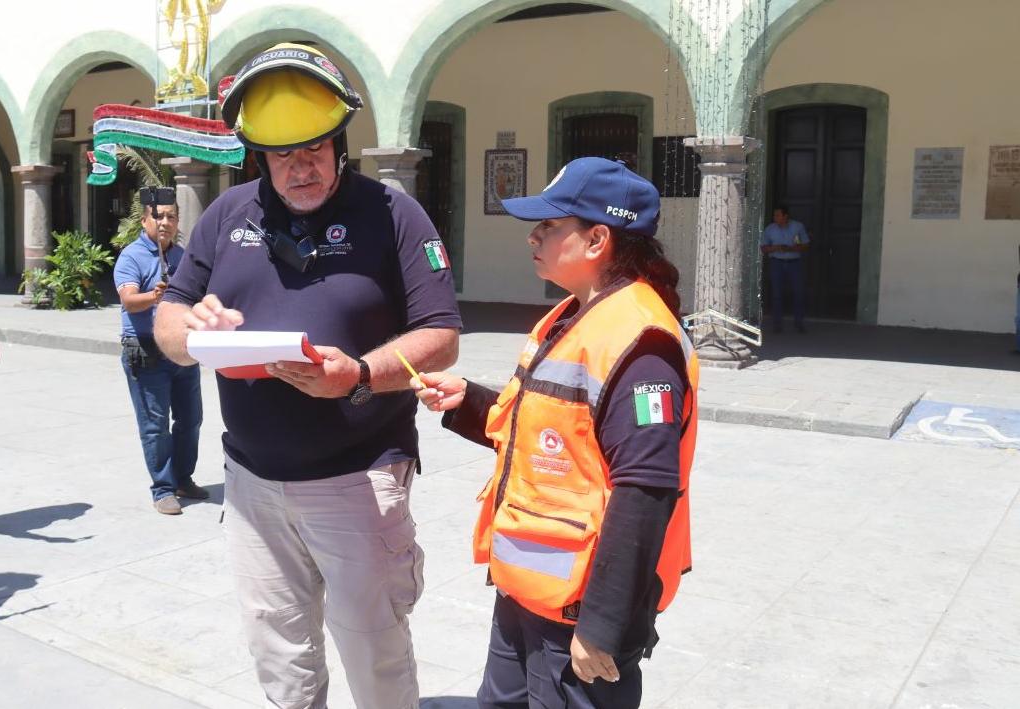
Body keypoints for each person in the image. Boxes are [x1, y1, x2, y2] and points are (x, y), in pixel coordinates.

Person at [153, 43, 461, 708]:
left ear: (339, 140)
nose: (302, 165)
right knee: (280, 659)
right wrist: (189, 330)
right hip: (251, 486)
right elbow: (170, 320)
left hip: (357, 480)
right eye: (284, 153)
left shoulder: (393, 213)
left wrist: (358, 375)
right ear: (258, 155)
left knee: (374, 655)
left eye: (316, 147)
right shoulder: (226, 216)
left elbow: (440, 339)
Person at [412, 157, 699, 709]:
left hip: (579, 611)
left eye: (548, 227)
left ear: (597, 240)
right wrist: (468, 400)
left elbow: (645, 491)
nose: (533, 240)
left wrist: (603, 625)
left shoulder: (642, 345)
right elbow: (552, 437)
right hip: (529, 590)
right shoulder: (575, 316)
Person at [114, 197, 205, 515]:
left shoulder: (183, 257)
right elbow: (128, 300)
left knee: (191, 419)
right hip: (146, 350)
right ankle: (163, 489)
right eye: (159, 216)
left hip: (182, 351)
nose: (166, 222)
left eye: (172, 217)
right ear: (145, 221)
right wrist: (153, 296)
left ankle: (183, 479)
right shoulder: (132, 256)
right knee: (155, 425)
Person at [761, 205, 810, 333]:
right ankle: (777, 324)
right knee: (777, 294)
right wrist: (776, 247)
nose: (775, 217)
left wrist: (790, 248)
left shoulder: (797, 227)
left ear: (785, 216)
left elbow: (805, 245)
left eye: (778, 215)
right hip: (776, 263)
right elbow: (764, 248)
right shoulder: (770, 229)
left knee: (799, 292)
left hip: (794, 263)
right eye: (774, 215)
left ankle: (799, 323)